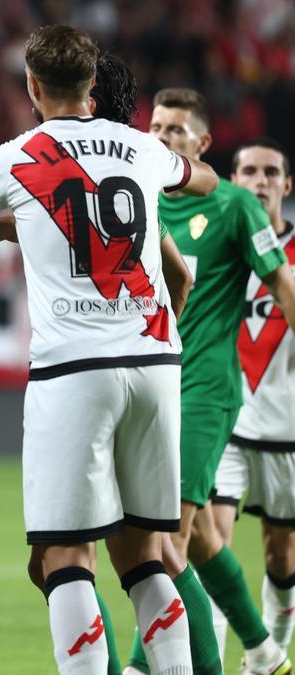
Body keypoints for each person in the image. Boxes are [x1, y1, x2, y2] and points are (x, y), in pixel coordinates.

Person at [0, 25, 219, 674]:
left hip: (75, 370)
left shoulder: (19, 155)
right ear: (93, 85)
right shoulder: (141, 148)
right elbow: (199, 180)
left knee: (64, 557)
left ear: (33, 86)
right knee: (146, 556)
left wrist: (2, 216)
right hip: (154, 363)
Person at [122, 89, 295, 675]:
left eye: (177, 131)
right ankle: (265, 650)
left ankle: (145, 666)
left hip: (204, 391)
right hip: (150, 390)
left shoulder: (231, 206)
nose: (164, 138)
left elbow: (285, 291)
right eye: (158, 128)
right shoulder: (133, 201)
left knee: (164, 541)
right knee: (192, 543)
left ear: (202, 145)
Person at [208, 139, 295, 664]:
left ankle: (271, 653)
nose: (260, 180)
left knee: (279, 555)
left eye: (271, 172)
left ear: (287, 185)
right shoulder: (216, 246)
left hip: (287, 431)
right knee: (210, 544)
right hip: (226, 424)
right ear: (233, 182)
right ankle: (212, 661)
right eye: (248, 171)